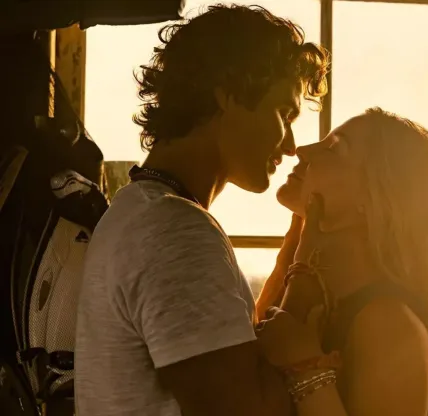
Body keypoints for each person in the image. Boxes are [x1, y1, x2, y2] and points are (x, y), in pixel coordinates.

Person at [74, 4, 329, 416]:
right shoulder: (175, 232)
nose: (290, 145)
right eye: (284, 112)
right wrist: (307, 357)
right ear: (227, 94)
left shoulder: (142, 211)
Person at [254, 108, 428, 416]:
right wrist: (292, 259)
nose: (303, 150)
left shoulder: (389, 324)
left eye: (334, 148)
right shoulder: (323, 300)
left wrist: (304, 367)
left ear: (375, 197)